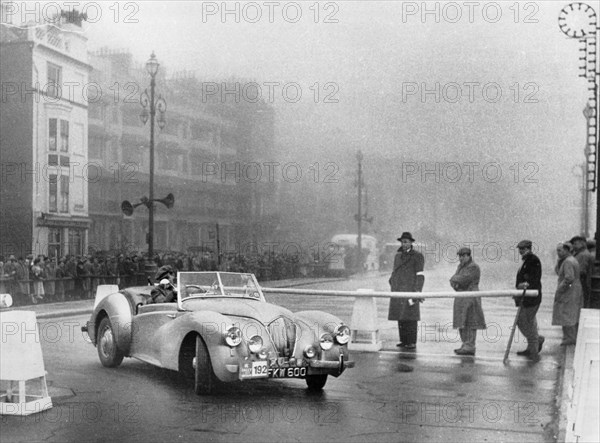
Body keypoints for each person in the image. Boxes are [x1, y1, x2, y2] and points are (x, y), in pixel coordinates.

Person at [388, 232, 425, 350]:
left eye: (406, 242)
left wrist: (417, 291)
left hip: (410, 289)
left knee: (411, 317)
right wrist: (392, 282)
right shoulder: (398, 256)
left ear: (411, 243)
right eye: (402, 242)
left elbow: (420, 275)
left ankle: (411, 342)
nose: (404, 244)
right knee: (401, 316)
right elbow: (394, 271)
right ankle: (403, 340)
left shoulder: (417, 256)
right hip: (398, 289)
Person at [449, 247, 486, 356]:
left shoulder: (473, 267)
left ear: (468, 256)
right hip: (461, 296)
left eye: (463, 256)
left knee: (470, 320)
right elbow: (454, 280)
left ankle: (470, 346)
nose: (461, 258)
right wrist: (455, 281)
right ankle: (465, 344)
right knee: (461, 321)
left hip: (471, 297)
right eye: (460, 256)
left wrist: (455, 280)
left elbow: (463, 279)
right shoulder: (460, 267)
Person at [514, 240, 544, 360]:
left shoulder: (533, 260)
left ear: (529, 248)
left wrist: (523, 285)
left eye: (523, 248)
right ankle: (534, 343)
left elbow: (533, 279)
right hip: (526, 297)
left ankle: (534, 344)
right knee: (527, 322)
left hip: (531, 297)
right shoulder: (526, 260)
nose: (521, 251)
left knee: (525, 321)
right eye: (520, 249)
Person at [552, 242, 583, 345]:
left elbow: (569, 278)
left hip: (569, 291)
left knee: (567, 313)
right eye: (557, 251)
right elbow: (559, 272)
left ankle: (569, 337)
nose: (558, 253)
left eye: (560, 250)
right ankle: (569, 336)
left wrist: (560, 289)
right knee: (570, 312)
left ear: (566, 250)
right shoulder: (571, 260)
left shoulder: (568, 262)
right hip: (574, 289)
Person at [570, 236, 594, 309]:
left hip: (582, 282)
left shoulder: (583, 255)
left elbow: (582, 271)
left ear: (582, 243)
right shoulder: (580, 254)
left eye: (575, 244)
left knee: (581, 302)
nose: (573, 246)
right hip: (581, 282)